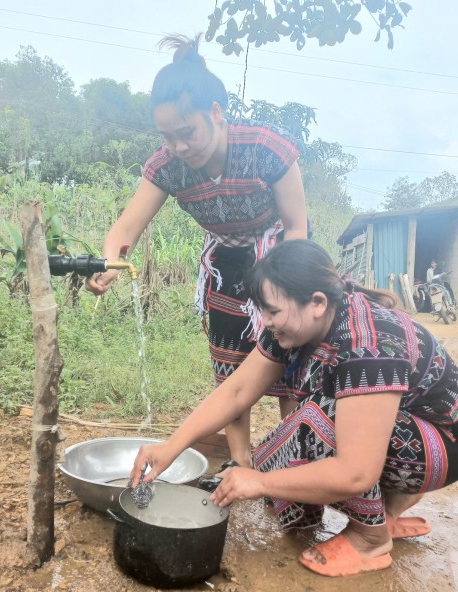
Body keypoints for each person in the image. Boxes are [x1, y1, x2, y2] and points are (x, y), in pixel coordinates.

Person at [131, 240, 458, 577]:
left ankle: (370, 540)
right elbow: (237, 390)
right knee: (277, 455)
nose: (266, 321)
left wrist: (261, 482)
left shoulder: (368, 343)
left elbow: (355, 473)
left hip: (445, 444)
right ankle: (387, 512)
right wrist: (170, 448)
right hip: (406, 428)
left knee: (319, 423)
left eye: (272, 310)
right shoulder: (296, 324)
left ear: (315, 302)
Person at [86, 34, 308, 468]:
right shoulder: (167, 166)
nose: (178, 147)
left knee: (290, 363)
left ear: (216, 113)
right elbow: (127, 225)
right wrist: (110, 261)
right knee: (229, 366)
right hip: (226, 261)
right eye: (167, 136)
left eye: (186, 133)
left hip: (282, 255)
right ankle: (240, 462)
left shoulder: (265, 148)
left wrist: (287, 287)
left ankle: (294, 457)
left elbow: (297, 226)